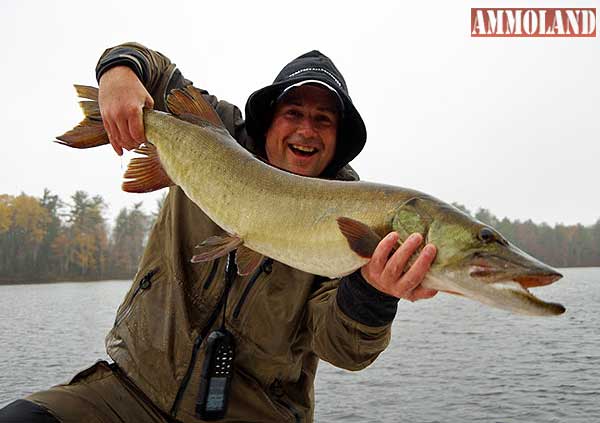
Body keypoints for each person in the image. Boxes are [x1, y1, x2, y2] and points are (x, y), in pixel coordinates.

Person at [0, 43, 437, 422]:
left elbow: (343, 348)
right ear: (269, 119)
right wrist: (119, 71)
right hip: (130, 393)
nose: (306, 130)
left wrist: (373, 294)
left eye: (323, 120)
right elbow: (153, 67)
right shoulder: (218, 129)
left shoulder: (355, 216)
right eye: (294, 112)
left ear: (338, 137)